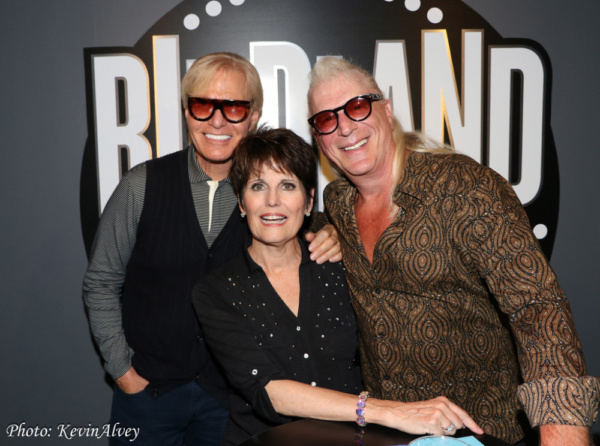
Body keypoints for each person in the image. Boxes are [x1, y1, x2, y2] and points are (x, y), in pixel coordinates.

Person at [307, 56, 599, 446]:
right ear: (319, 138)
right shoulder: (337, 202)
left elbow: (537, 307)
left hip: (481, 433)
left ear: (387, 109)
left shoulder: (463, 187)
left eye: (357, 106)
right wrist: (330, 231)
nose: (344, 126)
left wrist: (563, 433)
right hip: (386, 434)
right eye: (326, 119)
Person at [82, 52, 340, 446]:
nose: (217, 121)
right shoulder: (141, 185)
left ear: (253, 116)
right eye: (203, 105)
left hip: (233, 402)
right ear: (187, 113)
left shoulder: (265, 199)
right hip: (147, 395)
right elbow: (101, 281)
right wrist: (123, 372)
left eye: (234, 108)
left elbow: (300, 222)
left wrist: (327, 232)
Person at [192, 127, 483, 446]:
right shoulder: (216, 292)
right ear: (242, 202)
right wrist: (388, 412)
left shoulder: (341, 265)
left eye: (288, 185)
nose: (272, 201)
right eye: (258, 186)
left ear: (308, 202)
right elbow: (268, 391)